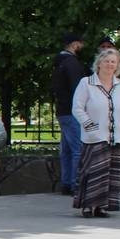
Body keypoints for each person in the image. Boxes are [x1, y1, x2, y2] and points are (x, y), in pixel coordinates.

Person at [72, 48, 120, 218]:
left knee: (110, 172)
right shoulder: (87, 83)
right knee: (93, 171)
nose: (109, 64)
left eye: (113, 62)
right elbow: (77, 108)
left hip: (116, 137)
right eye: (106, 61)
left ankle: (103, 206)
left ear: (117, 66)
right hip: (95, 136)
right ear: (99, 63)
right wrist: (90, 127)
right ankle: (87, 205)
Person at [52, 34, 88, 195]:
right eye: (80, 43)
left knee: (66, 149)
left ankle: (66, 183)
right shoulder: (72, 63)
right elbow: (77, 87)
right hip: (72, 110)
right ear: (74, 45)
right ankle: (75, 184)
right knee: (77, 149)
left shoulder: (59, 63)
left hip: (62, 110)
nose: (82, 46)